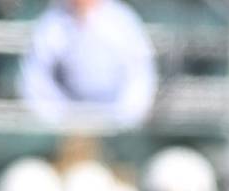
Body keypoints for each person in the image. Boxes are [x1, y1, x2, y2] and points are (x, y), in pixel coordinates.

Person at [20, 0, 156, 130]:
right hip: (65, 124)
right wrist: (62, 119)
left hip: (114, 123)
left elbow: (141, 77)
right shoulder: (52, 22)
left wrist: (118, 120)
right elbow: (34, 79)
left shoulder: (122, 20)